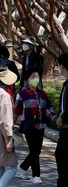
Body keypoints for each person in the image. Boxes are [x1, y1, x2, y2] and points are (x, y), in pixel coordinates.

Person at [14, 70, 56, 184]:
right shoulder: (22, 93)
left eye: (37, 77)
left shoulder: (42, 93)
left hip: (41, 125)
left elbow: (48, 108)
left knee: (36, 151)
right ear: (27, 79)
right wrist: (11, 124)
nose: (36, 79)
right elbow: (16, 110)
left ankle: (23, 167)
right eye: (33, 77)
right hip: (28, 125)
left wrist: (55, 119)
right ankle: (36, 175)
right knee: (34, 150)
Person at [56, 53, 68, 187]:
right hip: (64, 128)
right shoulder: (66, 84)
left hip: (66, 127)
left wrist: (62, 117)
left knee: (60, 155)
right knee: (60, 155)